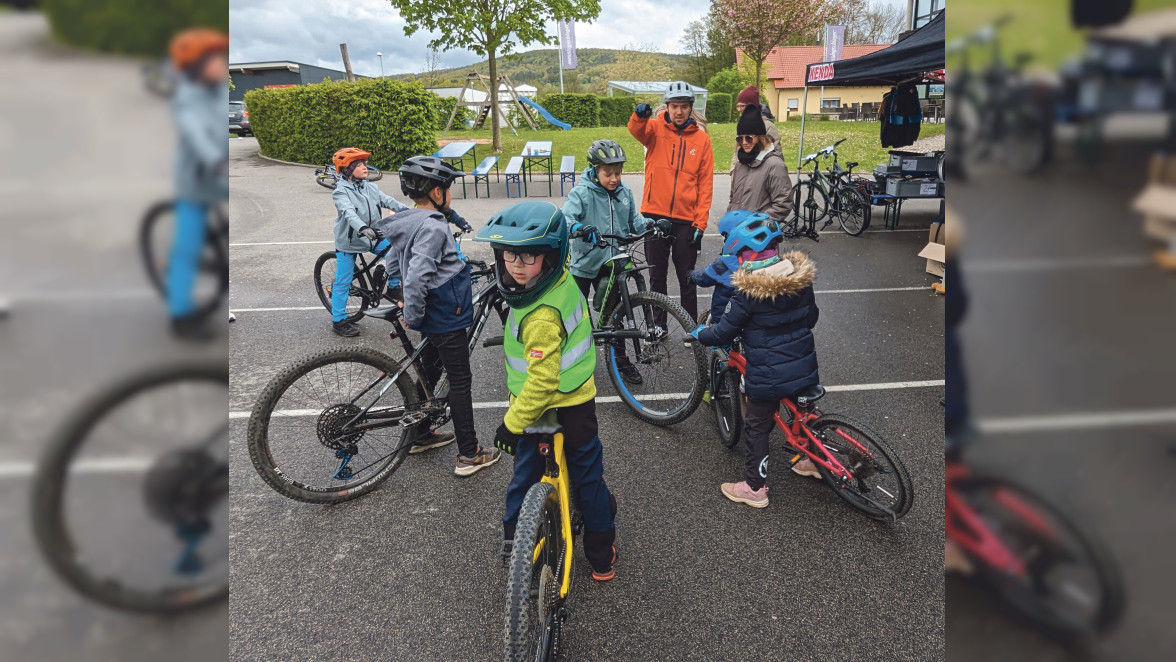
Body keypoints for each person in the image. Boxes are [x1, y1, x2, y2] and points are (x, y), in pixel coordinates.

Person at [473, 201, 618, 582]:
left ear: (551, 257)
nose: (517, 266)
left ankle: (513, 545)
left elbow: (541, 382)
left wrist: (511, 424)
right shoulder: (560, 281)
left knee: (524, 478)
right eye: (509, 256)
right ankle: (602, 556)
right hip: (579, 401)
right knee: (589, 481)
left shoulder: (539, 315)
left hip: (540, 409)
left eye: (529, 256)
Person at [374, 156, 500, 475]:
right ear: (436, 192)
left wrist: (401, 295)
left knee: (429, 370)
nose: (451, 194)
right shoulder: (433, 225)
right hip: (443, 313)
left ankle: (419, 433)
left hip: (433, 313)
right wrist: (412, 314)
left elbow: (393, 262)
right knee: (460, 381)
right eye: (448, 188)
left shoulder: (409, 219)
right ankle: (469, 454)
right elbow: (417, 275)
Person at [687, 215, 821, 508]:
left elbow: (723, 332)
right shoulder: (801, 281)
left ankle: (754, 488)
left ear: (749, 256)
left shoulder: (747, 293)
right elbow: (812, 318)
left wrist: (700, 333)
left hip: (768, 376)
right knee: (804, 409)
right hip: (805, 364)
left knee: (757, 426)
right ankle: (812, 460)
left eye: (740, 256)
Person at [561, 139, 667, 385]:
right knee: (576, 315)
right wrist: (579, 227)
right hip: (585, 264)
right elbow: (565, 220)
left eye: (618, 173)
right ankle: (574, 360)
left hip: (614, 263)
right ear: (595, 171)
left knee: (617, 316)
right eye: (608, 173)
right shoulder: (582, 193)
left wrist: (653, 224)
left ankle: (621, 360)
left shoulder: (625, 193)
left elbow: (636, 223)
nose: (614, 178)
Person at [628, 81, 714, 324]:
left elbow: (705, 184)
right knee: (657, 276)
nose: (678, 111)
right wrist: (639, 115)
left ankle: (690, 326)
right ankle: (658, 326)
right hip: (655, 216)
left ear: (690, 108)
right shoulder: (655, 129)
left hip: (686, 220)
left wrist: (701, 223)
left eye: (684, 106)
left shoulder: (701, 140)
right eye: (674, 106)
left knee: (687, 277)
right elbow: (636, 130)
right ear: (667, 107)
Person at [166, 29, 230, 340]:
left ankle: (221, 279)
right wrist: (218, 160)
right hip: (195, 181)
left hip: (218, 179)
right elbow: (196, 136)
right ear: (197, 65)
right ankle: (180, 314)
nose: (223, 63)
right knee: (188, 247)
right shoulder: (186, 98)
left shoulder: (219, 93)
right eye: (216, 59)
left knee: (226, 237)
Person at [328, 147, 411, 337]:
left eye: (364, 163)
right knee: (343, 281)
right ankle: (338, 320)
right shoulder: (341, 192)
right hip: (349, 242)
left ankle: (392, 287)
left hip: (373, 236)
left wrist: (411, 212)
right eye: (359, 164)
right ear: (347, 170)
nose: (364, 167)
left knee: (397, 252)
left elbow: (388, 201)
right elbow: (348, 212)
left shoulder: (370, 187)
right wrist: (362, 228)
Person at [728, 105, 793, 223]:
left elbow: (783, 203)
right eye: (739, 139)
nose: (744, 143)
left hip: (759, 236)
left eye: (749, 138)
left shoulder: (775, 165)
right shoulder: (740, 163)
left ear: (760, 138)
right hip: (738, 233)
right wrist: (729, 221)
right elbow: (733, 199)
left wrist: (757, 223)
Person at [729, 86, 781, 173]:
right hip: (743, 177)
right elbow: (737, 151)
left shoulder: (768, 126)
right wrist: (733, 172)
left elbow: (776, 154)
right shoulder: (742, 124)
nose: (739, 110)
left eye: (743, 106)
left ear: (752, 106)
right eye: (738, 106)